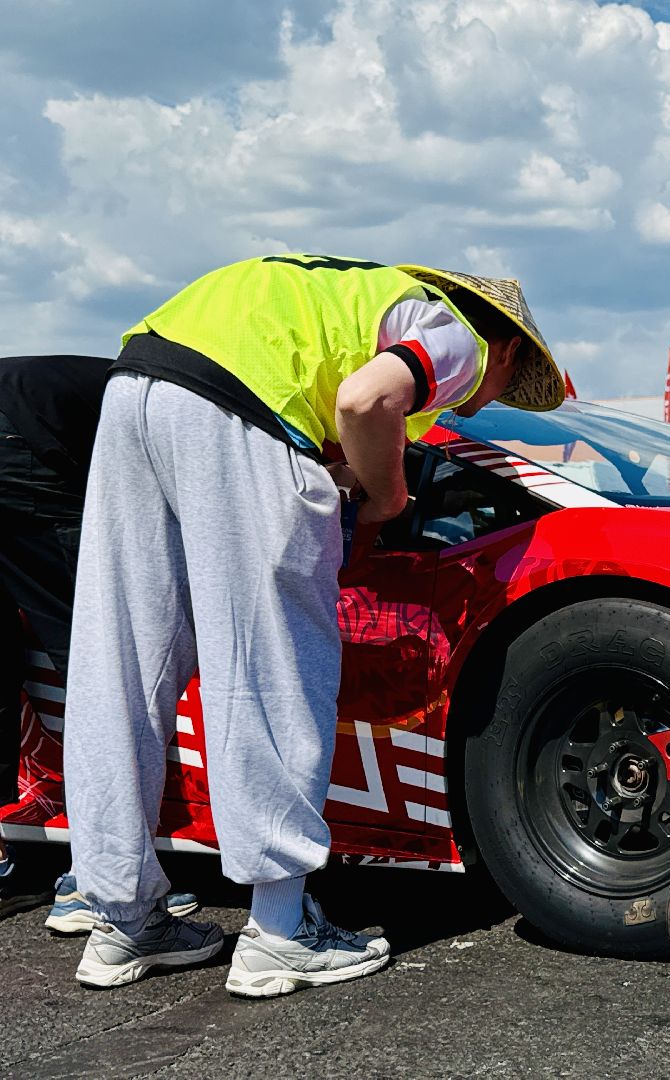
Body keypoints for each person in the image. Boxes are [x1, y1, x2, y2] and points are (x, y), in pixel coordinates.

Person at [62, 256, 562, 995]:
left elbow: (333, 388)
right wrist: (387, 500)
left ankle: (122, 924)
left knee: (122, 665)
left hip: (139, 383)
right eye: (501, 390)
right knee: (269, 670)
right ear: (510, 348)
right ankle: (281, 931)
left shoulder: (329, 291)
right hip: (240, 412)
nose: (475, 405)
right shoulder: (460, 336)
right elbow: (367, 400)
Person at [0, 355, 200, 927]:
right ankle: (94, 881)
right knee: (103, 656)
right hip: (23, 438)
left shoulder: (152, 377)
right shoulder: (208, 405)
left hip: (22, 428)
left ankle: (22, 861)